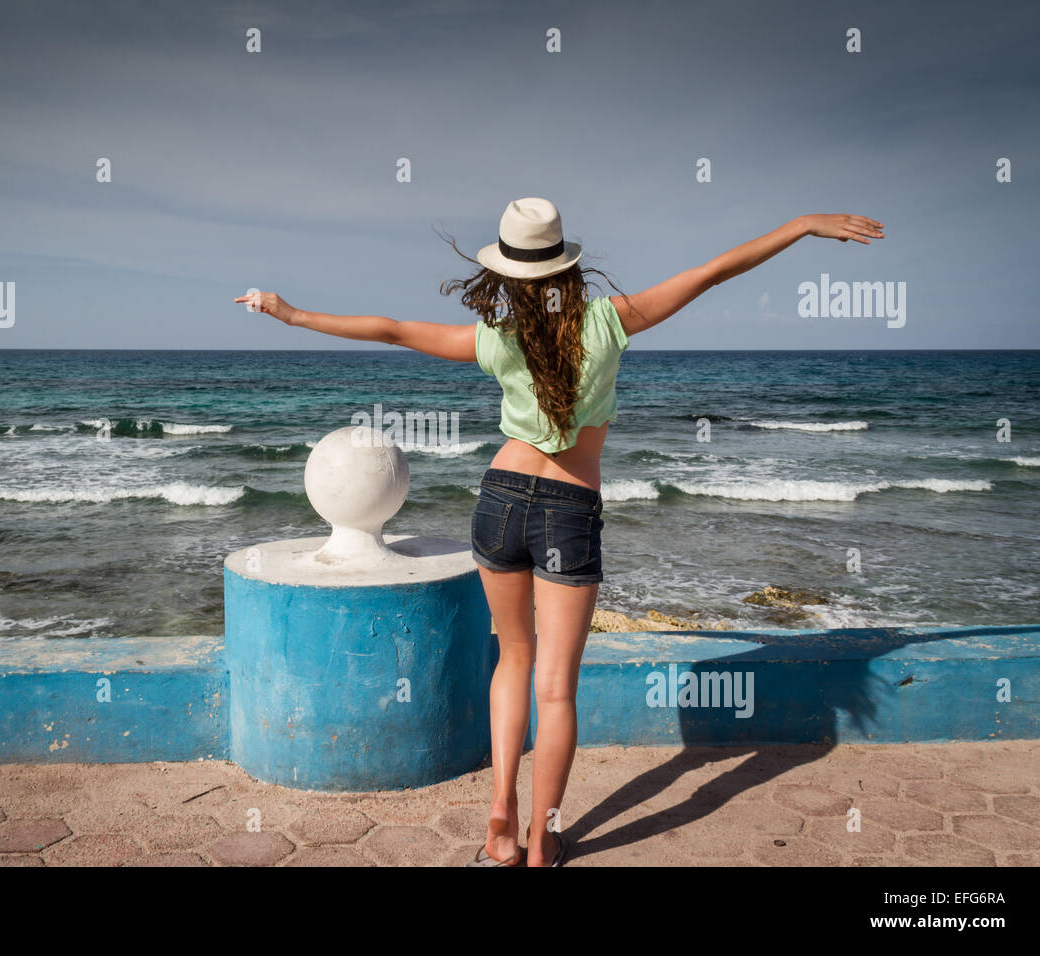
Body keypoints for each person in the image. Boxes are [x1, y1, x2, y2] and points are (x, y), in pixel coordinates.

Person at [235, 197, 884, 866]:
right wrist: (802, 226)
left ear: (508, 276)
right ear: (567, 269)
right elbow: (715, 271)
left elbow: (394, 330)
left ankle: (500, 821)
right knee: (556, 686)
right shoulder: (611, 321)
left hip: (500, 499)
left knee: (511, 660)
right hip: (569, 509)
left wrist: (292, 313)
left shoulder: (497, 338)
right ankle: (545, 839)